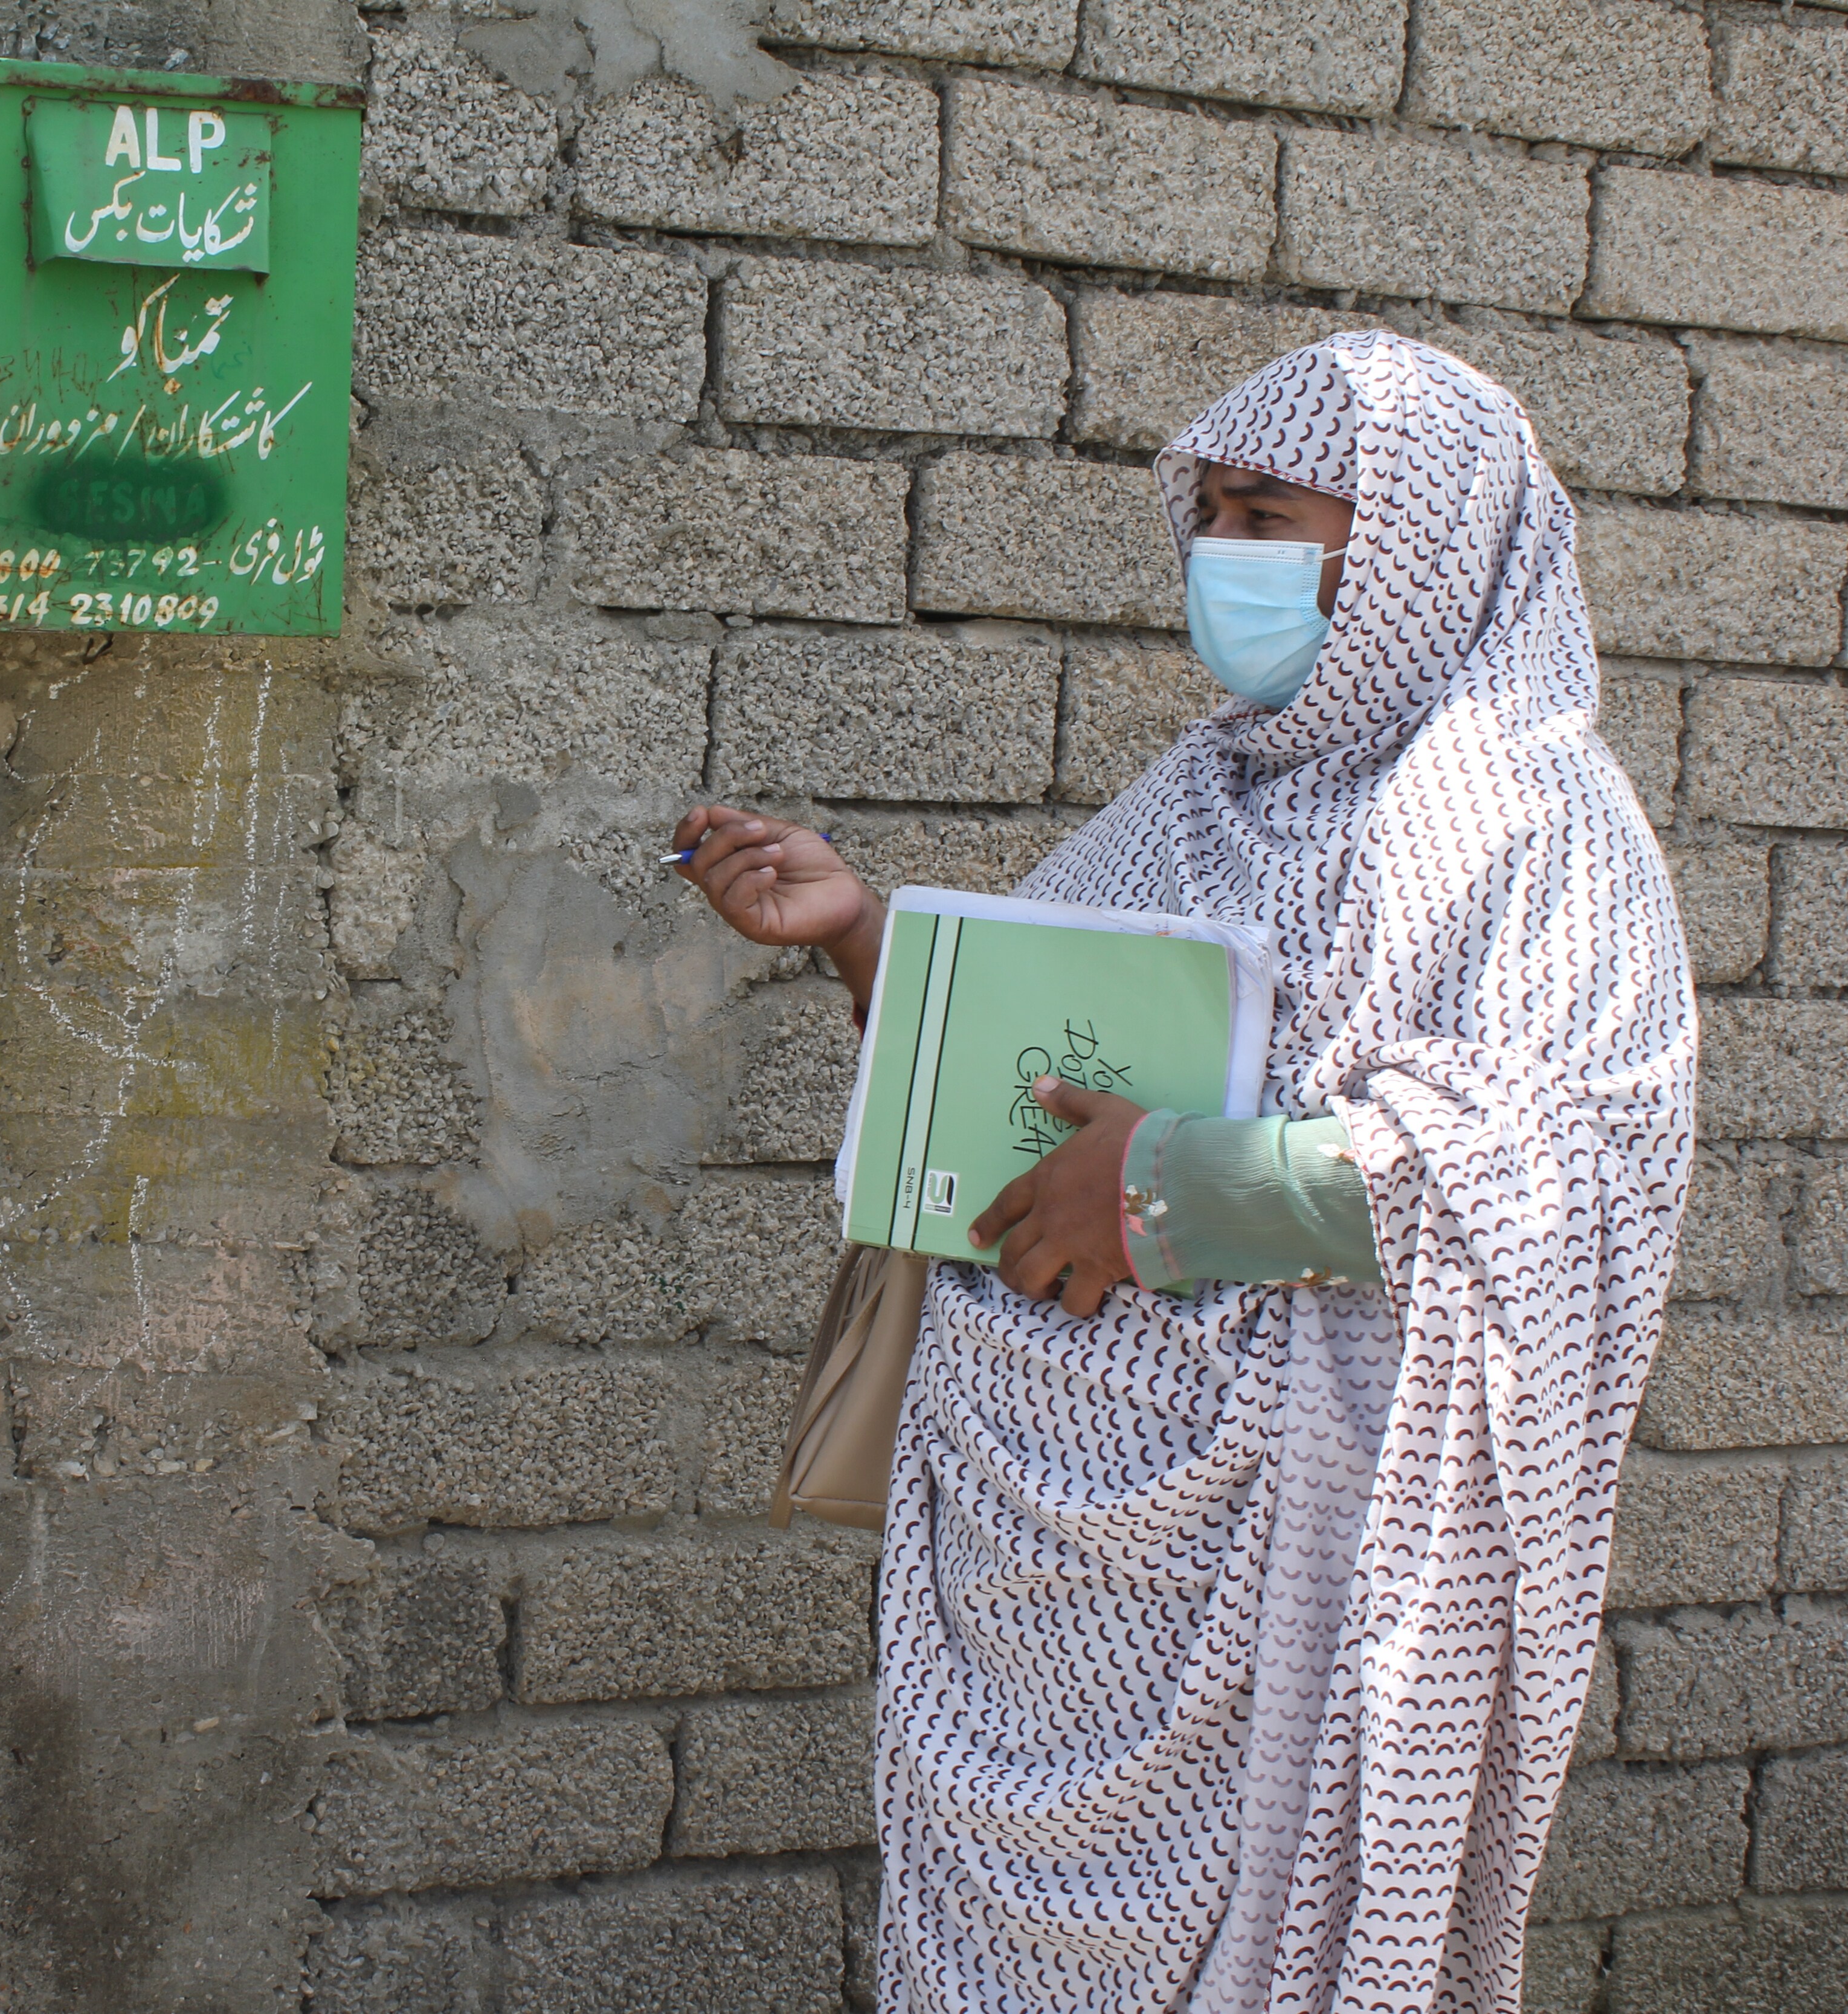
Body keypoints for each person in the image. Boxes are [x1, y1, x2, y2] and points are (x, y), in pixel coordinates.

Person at [669, 332, 1694, 2013]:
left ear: (1417, 537)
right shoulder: (1200, 791)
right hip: (1057, 1596)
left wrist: (1179, 1197)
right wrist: (858, 938)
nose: (1223, 553)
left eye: (1268, 512)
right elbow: (1031, 1062)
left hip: (1290, 1591)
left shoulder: (1526, 820)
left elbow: (1573, 1169)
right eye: (1207, 509)